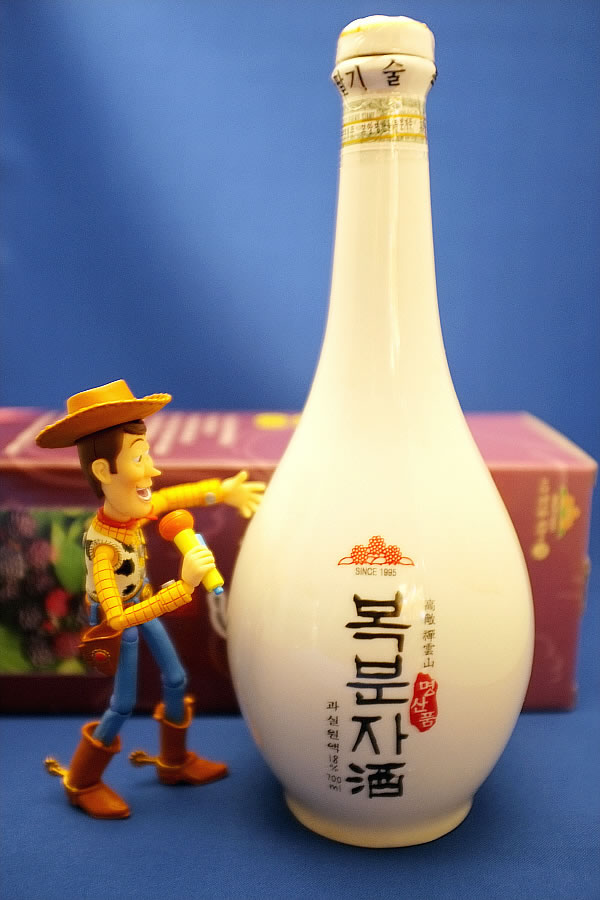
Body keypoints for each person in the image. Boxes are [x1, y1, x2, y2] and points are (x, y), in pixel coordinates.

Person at [36, 379, 264, 818]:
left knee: (175, 679)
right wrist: (184, 585)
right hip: (119, 622)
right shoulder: (103, 548)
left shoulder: (131, 516)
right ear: (104, 472)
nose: (153, 471)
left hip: (145, 604)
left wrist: (224, 491)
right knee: (122, 704)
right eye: (139, 458)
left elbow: (176, 496)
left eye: (148, 455)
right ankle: (82, 781)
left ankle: (175, 762)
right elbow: (118, 619)